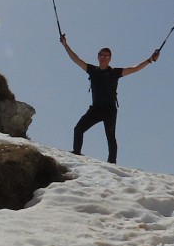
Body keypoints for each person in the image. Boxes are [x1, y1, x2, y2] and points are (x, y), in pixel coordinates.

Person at [60, 34, 159, 164]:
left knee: (110, 137)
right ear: (98, 56)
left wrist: (150, 59)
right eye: (102, 55)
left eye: (107, 56)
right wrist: (65, 45)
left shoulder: (115, 72)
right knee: (78, 129)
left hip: (109, 110)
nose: (104, 58)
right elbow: (76, 59)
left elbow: (135, 69)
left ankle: (112, 163)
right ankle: (76, 153)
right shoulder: (92, 70)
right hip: (95, 109)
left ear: (110, 58)